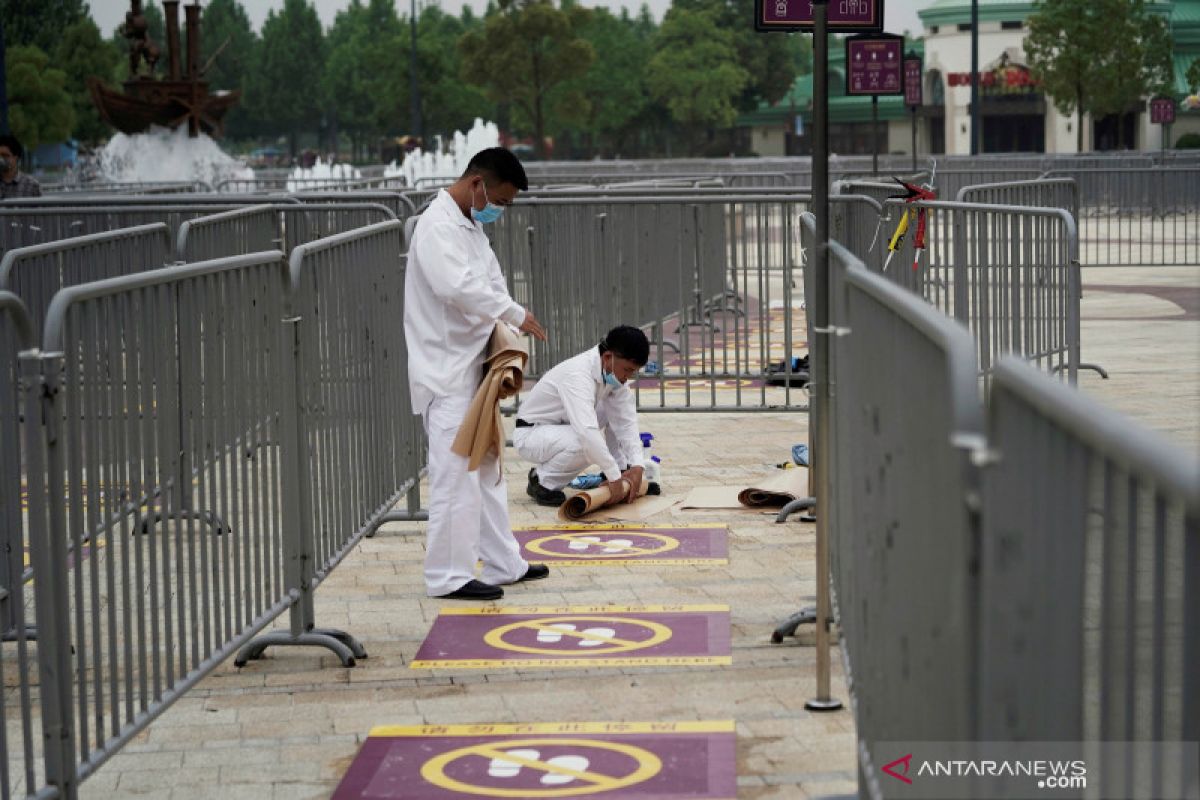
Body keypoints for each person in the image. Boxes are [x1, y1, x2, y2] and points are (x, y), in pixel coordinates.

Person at [404, 147, 549, 601]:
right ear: (476, 185)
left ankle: (504, 561)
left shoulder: (468, 226)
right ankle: (448, 576)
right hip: (444, 371)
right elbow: (457, 287)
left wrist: (506, 323)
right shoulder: (437, 227)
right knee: (453, 477)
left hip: (474, 365)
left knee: (485, 468)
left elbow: (490, 280)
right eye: (500, 201)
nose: (499, 211)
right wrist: (513, 313)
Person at [514, 325, 649, 507]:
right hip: (532, 434)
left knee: (615, 412)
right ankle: (543, 482)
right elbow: (586, 432)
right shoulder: (578, 374)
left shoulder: (612, 374)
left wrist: (636, 466)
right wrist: (614, 478)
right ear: (608, 357)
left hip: (560, 428)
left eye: (633, 372)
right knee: (585, 441)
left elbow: (626, 422)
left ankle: (621, 465)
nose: (627, 377)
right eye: (627, 370)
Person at [0, 135, 42, 199]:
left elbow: (40, 208)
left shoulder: (31, 185)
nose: (1, 159)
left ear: (16, 158)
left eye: (5, 155)